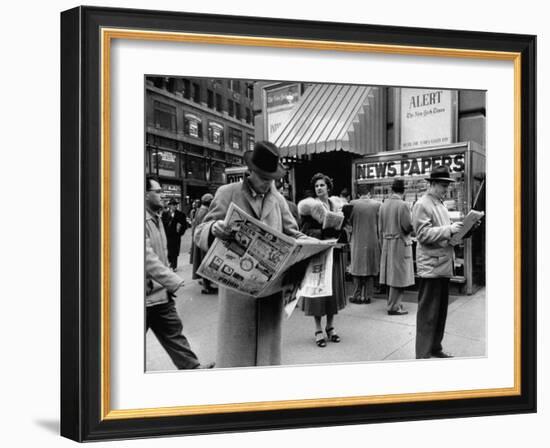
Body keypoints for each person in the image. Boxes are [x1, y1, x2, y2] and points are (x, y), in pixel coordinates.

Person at [194, 141, 304, 368]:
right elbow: (200, 231)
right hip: (238, 292)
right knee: (237, 358)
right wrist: (214, 228)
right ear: (250, 172)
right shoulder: (227, 193)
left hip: (270, 291)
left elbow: (294, 234)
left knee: (266, 360)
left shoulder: (278, 199)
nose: (268, 185)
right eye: (264, 179)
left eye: (272, 179)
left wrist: (310, 245)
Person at [145, 177, 214, 369]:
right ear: (144, 194)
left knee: (174, 333)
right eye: (158, 192)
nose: (162, 195)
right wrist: (173, 280)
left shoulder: (156, 216)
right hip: (144, 296)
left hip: (160, 294)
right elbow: (145, 257)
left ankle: (194, 369)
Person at [412, 165, 463, 359]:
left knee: (440, 312)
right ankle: (423, 353)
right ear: (432, 184)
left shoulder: (439, 204)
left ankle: (435, 347)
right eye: (442, 185)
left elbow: (440, 232)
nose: (446, 189)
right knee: (428, 313)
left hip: (441, 264)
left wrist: (459, 232)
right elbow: (422, 234)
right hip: (432, 266)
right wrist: (449, 230)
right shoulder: (422, 204)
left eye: (446, 185)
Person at [297, 173, 348, 348]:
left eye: (322, 185)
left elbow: (345, 228)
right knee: (319, 291)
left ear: (328, 187)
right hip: (318, 252)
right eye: (317, 186)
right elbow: (303, 231)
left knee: (332, 290)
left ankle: (330, 327)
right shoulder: (308, 208)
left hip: (334, 251)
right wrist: (322, 233)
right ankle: (318, 329)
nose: (319, 188)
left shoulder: (337, 205)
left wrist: (340, 229)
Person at [379, 178, 414, 315]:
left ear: (391, 190)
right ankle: (394, 306)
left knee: (390, 275)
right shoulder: (403, 205)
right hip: (399, 243)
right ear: (403, 191)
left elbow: (380, 227)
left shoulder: (383, 204)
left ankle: (393, 303)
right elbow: (407, 227)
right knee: (399, 276)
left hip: (387, 242)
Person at [348, 187, 381, 304]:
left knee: (357, 269)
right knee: (370, 268)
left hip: (357, 240)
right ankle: (367, 296)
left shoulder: (352, 204)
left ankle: (356, 295)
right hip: (372, 240)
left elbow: (348, 222)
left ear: (357, 194)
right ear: (369, 193)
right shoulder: (377, 205)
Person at [191, 193, 217, 294]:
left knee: (202, 262)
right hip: (204, 241)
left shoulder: (200, 210)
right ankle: (207, 286)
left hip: (199, 240)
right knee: (205, 262)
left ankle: (206, 283)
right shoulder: (205, 211)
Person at [161, 199, 188, 271]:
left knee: (175, 251)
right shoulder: (165, 214)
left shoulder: (181, 214)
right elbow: (162, 225)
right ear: (170, 206)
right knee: (168, 250)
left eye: (176, 205)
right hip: (167, 236)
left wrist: (180, 233)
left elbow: (184, 226)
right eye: (173, 205)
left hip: (176, 236)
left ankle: (174, 266)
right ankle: (170, 263)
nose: (175, 206)